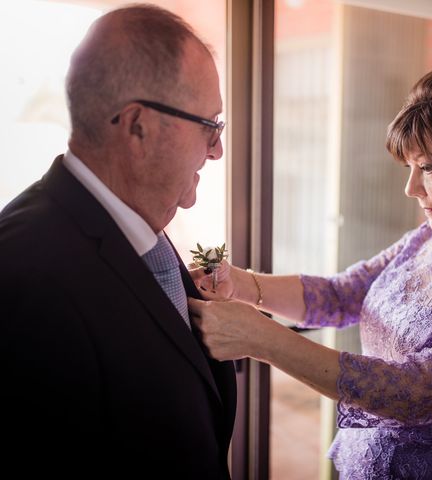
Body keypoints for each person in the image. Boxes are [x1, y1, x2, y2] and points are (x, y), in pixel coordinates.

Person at [188, 59, 432, 479]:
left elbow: (415, 393)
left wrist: (261, 339)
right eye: (410, 168)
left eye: (428, 167)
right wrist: (241, 284)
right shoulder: (429, 239)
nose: (410, 188)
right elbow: (342, 295)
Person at [0, 5, 235, 478]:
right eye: (210, 125)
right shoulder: (26, 278)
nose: (217, 150)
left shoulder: (133, 221)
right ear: (138, 127)